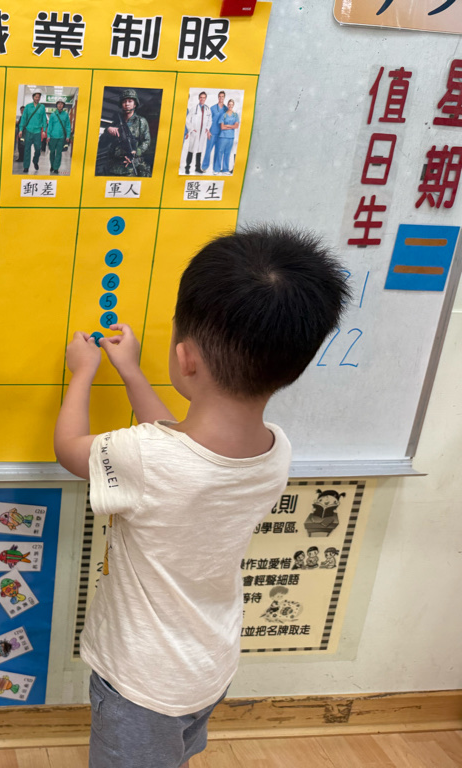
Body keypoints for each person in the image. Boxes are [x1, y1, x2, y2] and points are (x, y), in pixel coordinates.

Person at [53, 227, 349, 768]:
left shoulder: (149, 460)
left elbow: (70, 449)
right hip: (207, 663)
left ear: (185, 357)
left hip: (142, 682)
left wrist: (82, 374)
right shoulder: (275, 449)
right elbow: (177, 442)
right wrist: (132, 373)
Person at [96, 88, 152, 177]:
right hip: (113, 167)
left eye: (130, 101)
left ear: (135, 104)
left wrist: (137, 152)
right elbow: (102, 144)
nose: (127, 104)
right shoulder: (116, 122)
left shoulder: (141, 121)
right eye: (124, 101)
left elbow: (146, 141)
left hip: (131, 166)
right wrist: (108, 130)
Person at [17, 90, 46, 173]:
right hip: (28, 131)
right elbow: (24, 118)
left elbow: (44, 118)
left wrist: (44, 130)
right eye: (36, 97)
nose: (37, 98)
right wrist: (21, 129)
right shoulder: (28, 106)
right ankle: (26, 167)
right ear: (33, 97)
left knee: (38, 149)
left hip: (37, 132)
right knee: (27, 150)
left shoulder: (42, 107)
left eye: (39, 97)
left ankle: (35, 161)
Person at [182, 91, 210, 174]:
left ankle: (197, 168)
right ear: (199, 98)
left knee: (199, 151)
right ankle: (187, 167)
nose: (202, 99)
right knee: (191, 150)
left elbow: (210, 120)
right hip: (195, 133)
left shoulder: (207, 109)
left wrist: (207, 128)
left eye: (204, 97)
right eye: (201, 97)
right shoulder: (194, 109)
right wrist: (191, 129)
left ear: (205, 99)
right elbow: (187, 120)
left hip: (202, 133)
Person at [213, 99, 240, 175]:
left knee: (227, 153)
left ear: (233, 105)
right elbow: (222, 127)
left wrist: (227, 125)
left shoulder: (235, 115)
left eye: (232, 104)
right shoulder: (224, 115)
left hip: (231, 137)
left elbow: (236, 126)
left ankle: (225, 169)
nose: (230, 106)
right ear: (227, 105)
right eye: (229, 104)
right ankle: (217, 169)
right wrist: (231, 126)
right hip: (223, 137)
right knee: (220, 152)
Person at [46, 99, 72, 175]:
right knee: (52, 152)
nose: (60, 105)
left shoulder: (66, 115)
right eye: (58, 104)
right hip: (53, 137)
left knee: (59, 153)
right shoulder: (53, 115)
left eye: (61, 104)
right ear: (56, 105)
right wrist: (48, 135)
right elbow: (50, 126)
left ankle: (56, 168)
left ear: (63, 106)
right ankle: (52, 165)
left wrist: (68, 136)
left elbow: (68, 126)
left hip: (61, 137)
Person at [202, 91, 226, 173]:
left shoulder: (226, 109)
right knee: (208, 150)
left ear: (224, 98)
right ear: (218, 97)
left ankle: (216, 169)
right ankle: (204, 167)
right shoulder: (212, 108)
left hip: (221, 134)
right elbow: (207, 120)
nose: (221, 98)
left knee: (218, 152)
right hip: (212, 133)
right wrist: (208, 131)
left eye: (222, 96)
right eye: (220, 96)